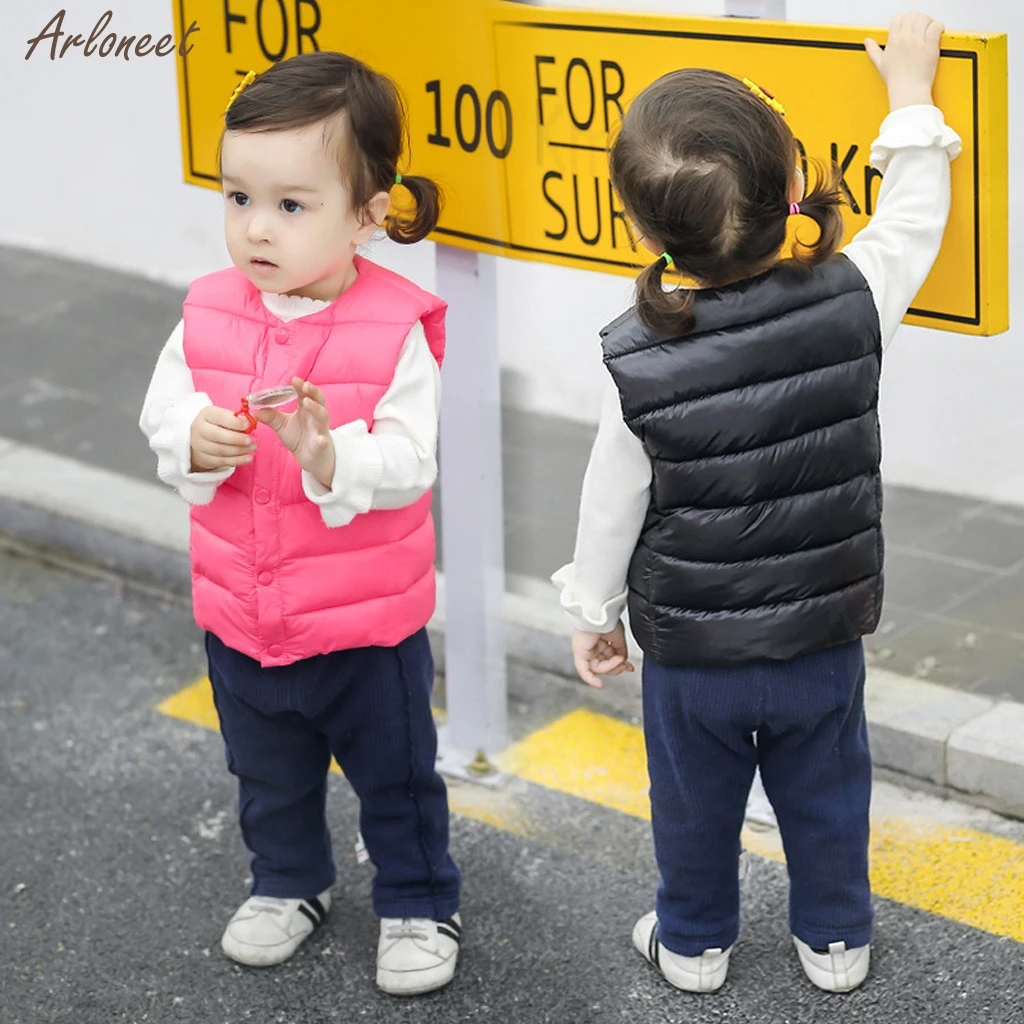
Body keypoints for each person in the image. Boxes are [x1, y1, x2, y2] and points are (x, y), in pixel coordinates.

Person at [552, 12, 960, 995]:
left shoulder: (636, 358)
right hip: (821, 634)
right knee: (824, 790)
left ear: (641, 230)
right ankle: (833, 940)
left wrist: (594, 612)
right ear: (792, 188)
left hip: (692, 657)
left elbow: (610, 502)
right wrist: (909, 96)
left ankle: (693, 942)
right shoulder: (850, 294)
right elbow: (913, 217)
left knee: (692, 802)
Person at [139, 52, 462, 996]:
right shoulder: (205, 312)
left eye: (291, 204)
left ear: (368, 212)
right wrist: (193, 440)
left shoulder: (395, 327)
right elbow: (162, 412)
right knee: (265, 771)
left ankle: (415, 898)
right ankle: (287, 881)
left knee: (396, 778)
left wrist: (330, 455)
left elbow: (410, 462)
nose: (255, 228)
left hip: (365, 627)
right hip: (243, 613)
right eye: (239, 197)